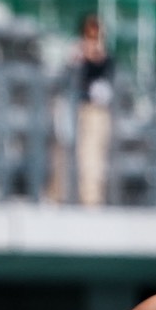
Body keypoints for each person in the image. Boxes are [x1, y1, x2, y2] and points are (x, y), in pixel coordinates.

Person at [70, 14, 114, 207]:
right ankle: (83, 198)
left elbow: (106, 73)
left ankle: (92, 199)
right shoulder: (77, 55)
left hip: (98, 112)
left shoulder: (104, 58)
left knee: (95, 157)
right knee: (81, 156)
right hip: (81, 110)